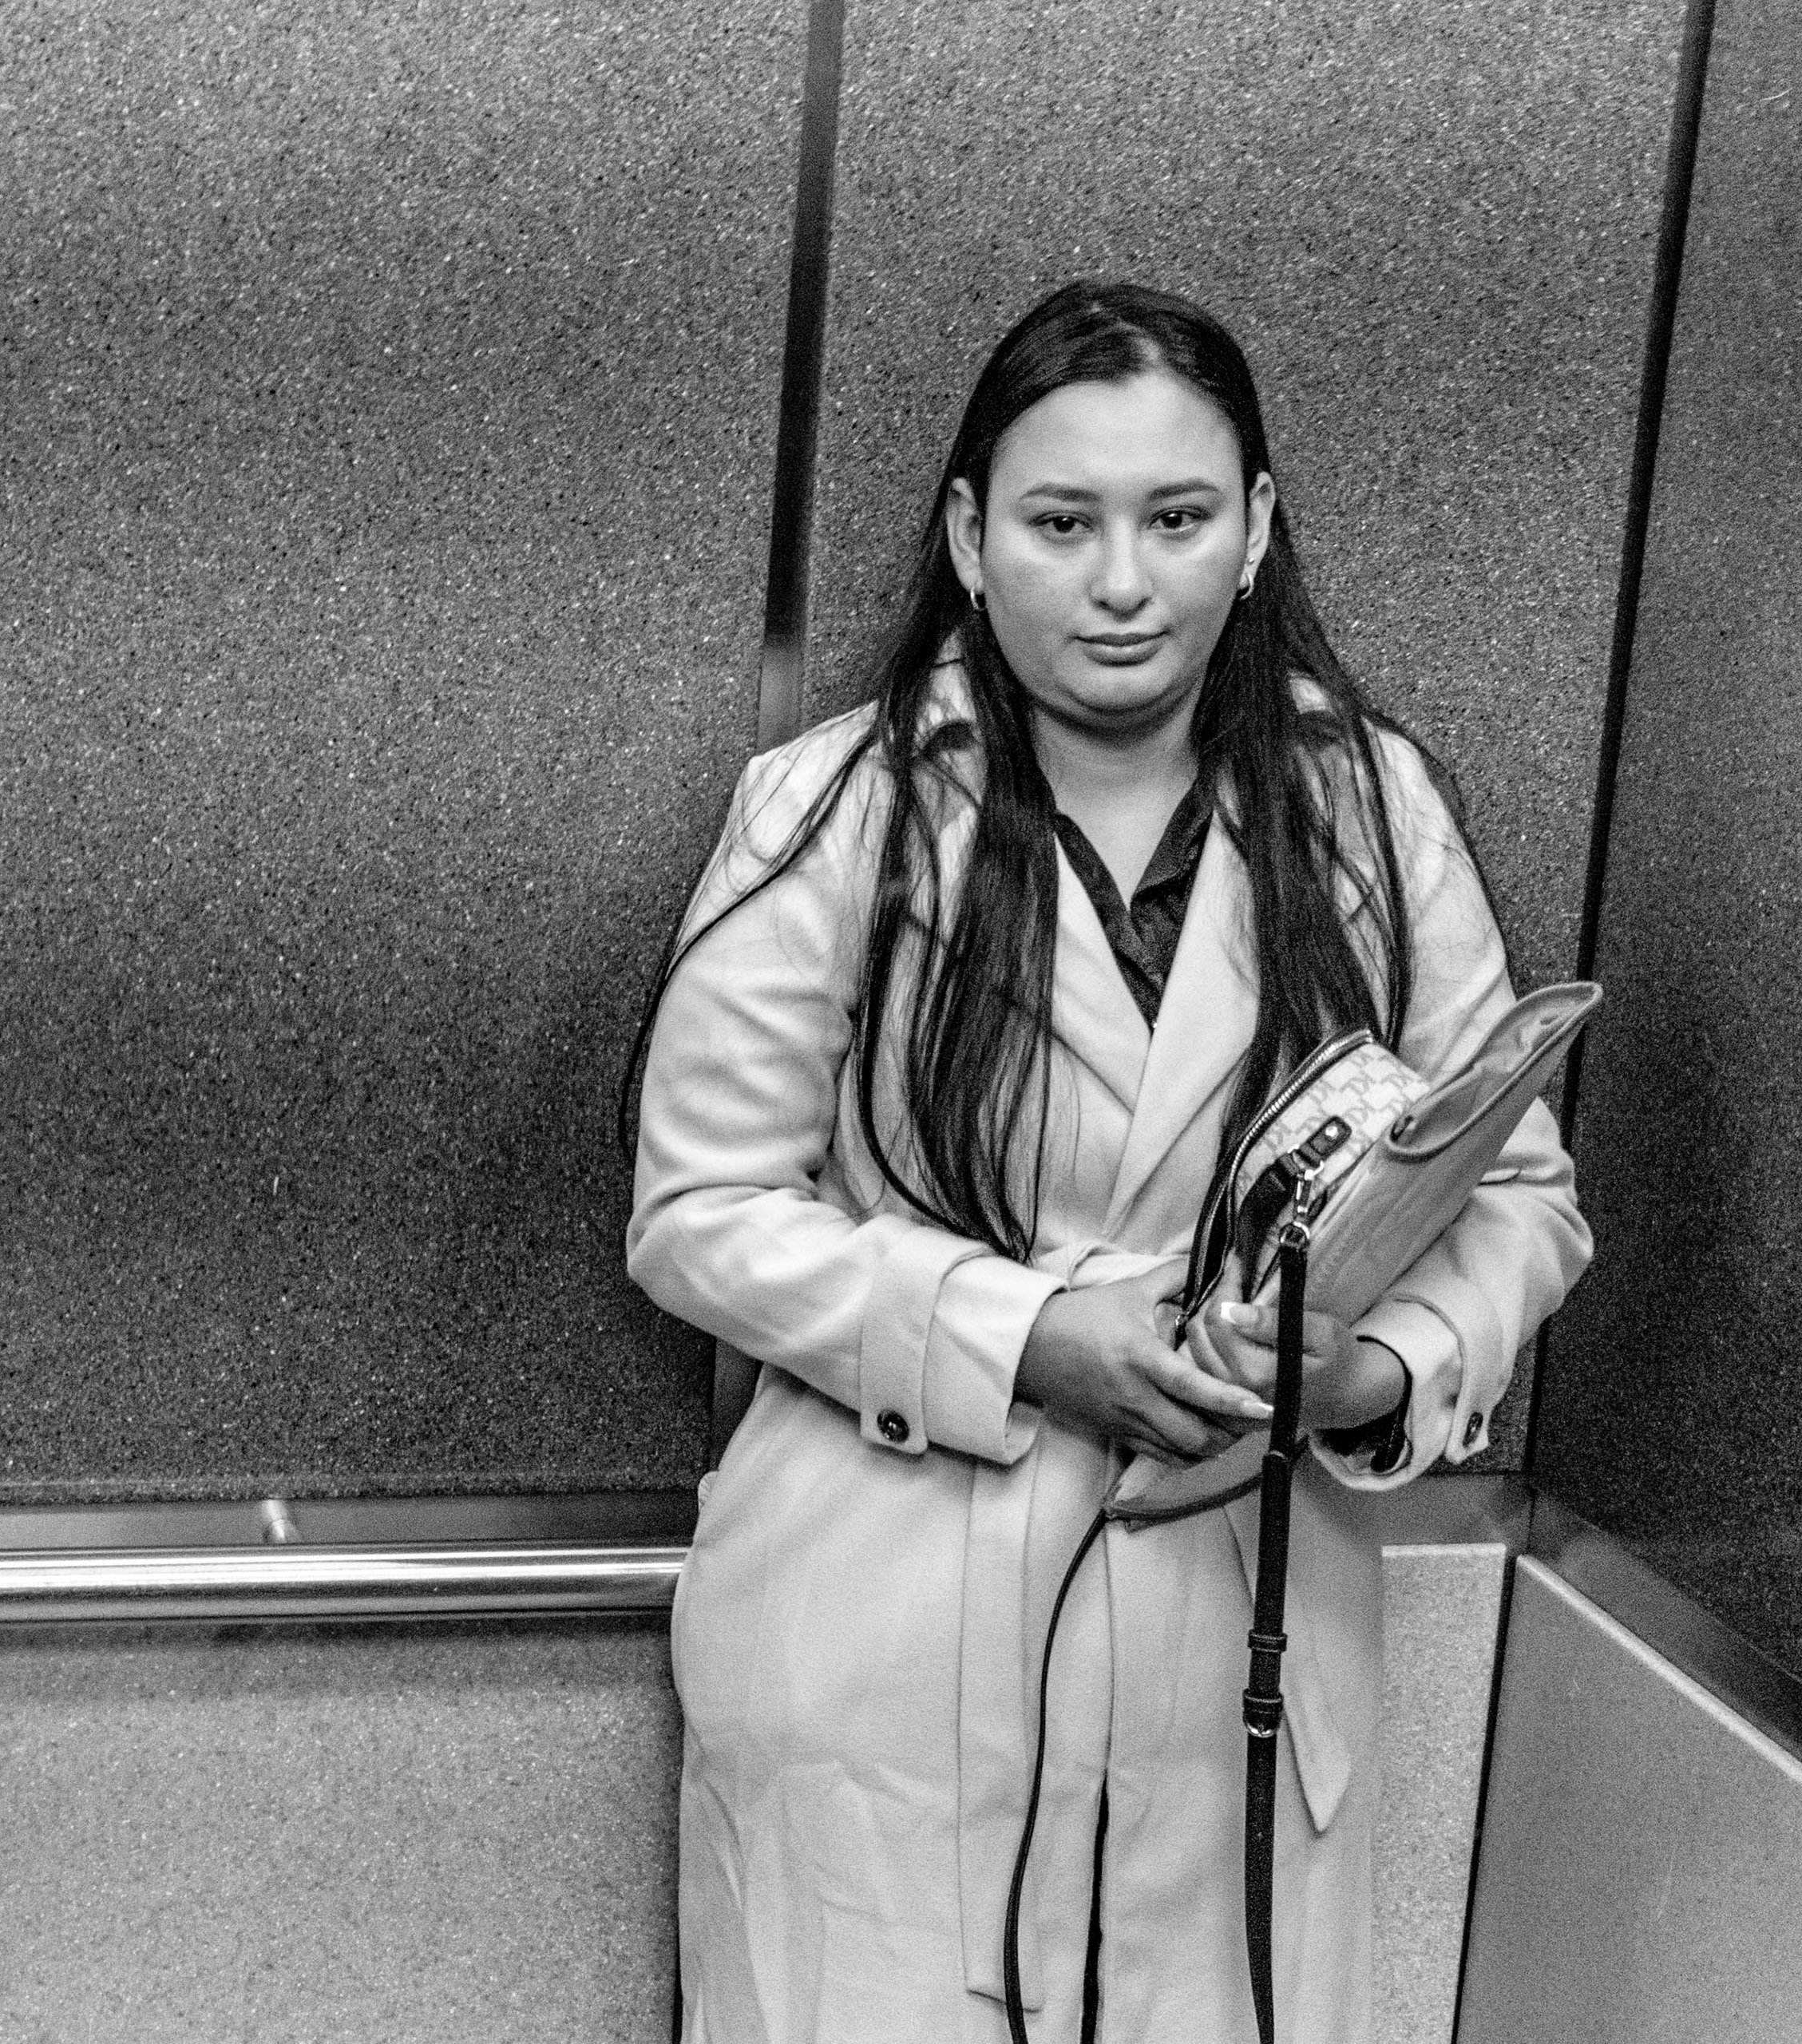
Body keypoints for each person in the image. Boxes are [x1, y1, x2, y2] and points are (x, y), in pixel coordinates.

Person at [628, 280, 1589, 2042]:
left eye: (1179, 518)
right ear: (971, 538)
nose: (1123, 581)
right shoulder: (835, 808)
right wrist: (1022, 1338)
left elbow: (1517, 1191)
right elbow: (699, 1215)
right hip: (880, 1640)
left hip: (1232, 1648)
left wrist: (1367, 1374)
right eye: (1063, 523)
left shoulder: (1371, 812)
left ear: (1258, 530)